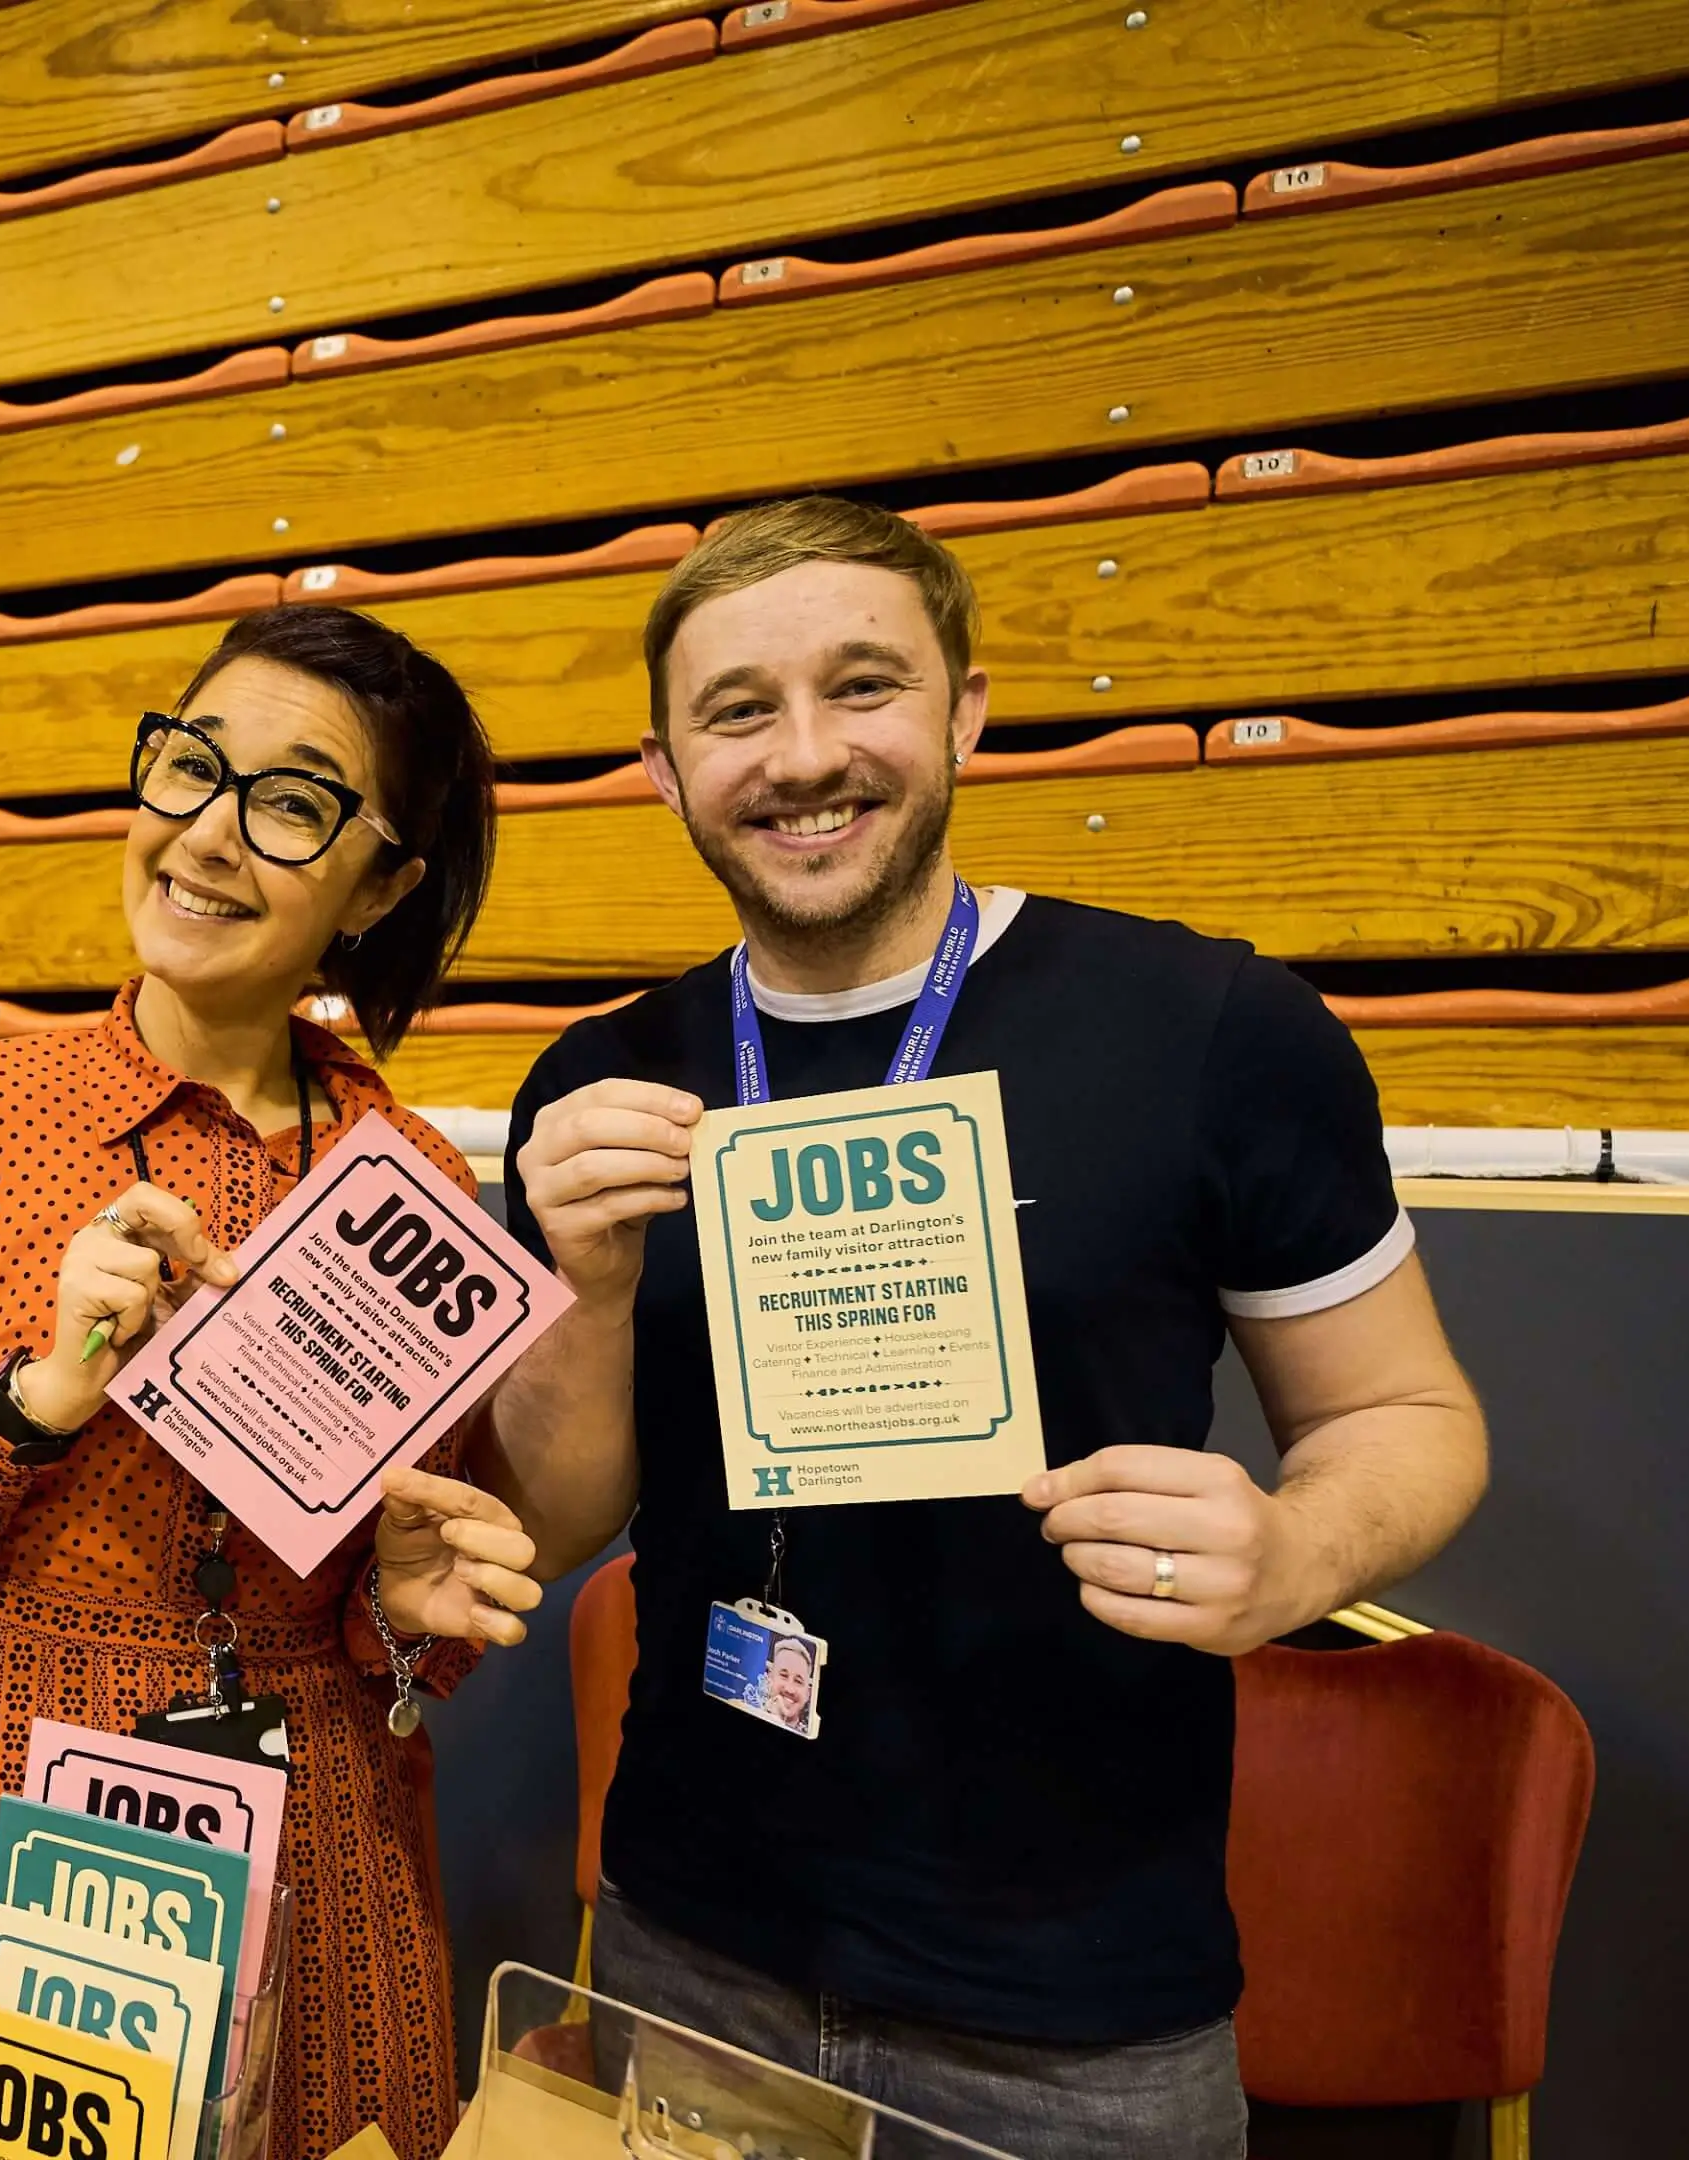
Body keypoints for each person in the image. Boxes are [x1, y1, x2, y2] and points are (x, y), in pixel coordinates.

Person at [477, 498, 1490, 2158]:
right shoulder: (599, 1082)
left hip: (1075, 2012)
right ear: (664, 770)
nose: (805, 756)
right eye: (737, 711)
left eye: (863, 686)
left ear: (966, 713)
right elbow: (564, 1515)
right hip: (693, 1953)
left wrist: (1297, 1555)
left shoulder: (1213, 1027)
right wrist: (583, 1294)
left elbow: (1409, 1419)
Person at [0, 605, 545, 2159]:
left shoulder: (413, 1182)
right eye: (193, 767)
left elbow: (395, 1625)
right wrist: (33, 1402)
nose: (207, 833)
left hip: (317, 1824)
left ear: (380, 886)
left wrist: (408, 1607)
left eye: (293, 802)